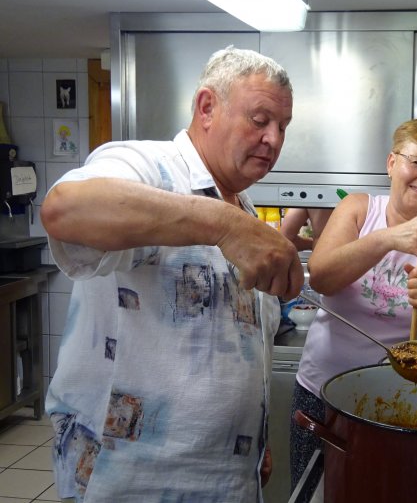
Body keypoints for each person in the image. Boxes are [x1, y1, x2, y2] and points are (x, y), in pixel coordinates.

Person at [40, 46, 304, 502]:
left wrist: (253, 439)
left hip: (224, 476)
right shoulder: (147, 166)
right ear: (207, 107)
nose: (274, 139)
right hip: (130, 481)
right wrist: (225, 225)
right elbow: (65, 210)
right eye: (260, 120)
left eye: (283, 126)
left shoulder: (240, 205)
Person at [289, 118, 417, 490]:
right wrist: (388, 238)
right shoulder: (359, 210)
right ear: (392, 163)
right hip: (324, 396)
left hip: (409, 403)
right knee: (318, 493)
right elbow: (322, 278)